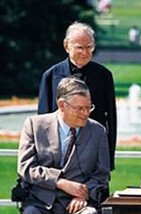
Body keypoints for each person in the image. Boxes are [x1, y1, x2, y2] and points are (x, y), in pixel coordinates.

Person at [18, 77, 110, 214]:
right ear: (62, 105)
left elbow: (101, 174)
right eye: (80, 108)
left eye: (89, 107)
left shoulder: (97, 131)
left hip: (77, 203)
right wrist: (60, 182)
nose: (86, 113)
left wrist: (85, 193)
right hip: (43, 200)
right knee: (30, 213)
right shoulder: (35, 125)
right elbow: (26, 167)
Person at [38, 22, 117, 170]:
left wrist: (108, 159)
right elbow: (42, 120)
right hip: (57, 155)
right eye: (80, 47)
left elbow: (111, 120)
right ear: (67, 46)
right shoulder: (50, 76)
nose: (85, 52)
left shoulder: (104, 75)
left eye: (89, 47)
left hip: (93, 152)